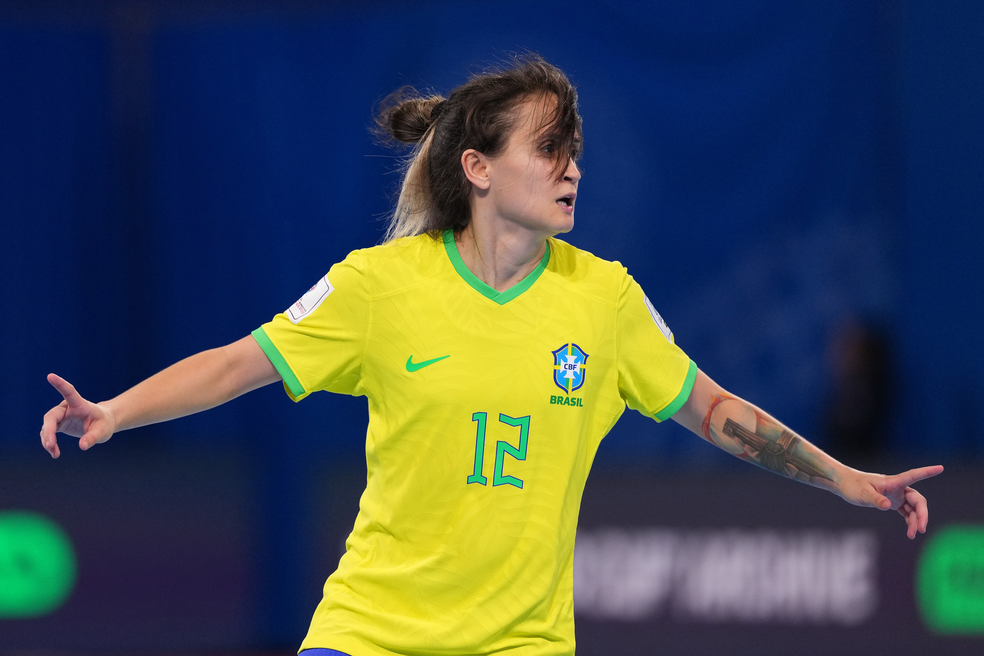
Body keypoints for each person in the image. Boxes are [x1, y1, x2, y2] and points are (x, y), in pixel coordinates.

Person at [40, 55, 942, 656]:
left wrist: (848, 481)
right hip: (370, 632)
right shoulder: (379, 286)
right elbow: (240, 362)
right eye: (549, 149)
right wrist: (116, 410)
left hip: (520, 644)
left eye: (576, 150)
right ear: (476, 168)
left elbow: (718, 413)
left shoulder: (605, 300)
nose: (573, 168)